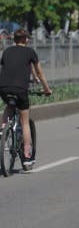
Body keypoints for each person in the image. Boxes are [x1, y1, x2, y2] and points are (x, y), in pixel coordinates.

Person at [0, 29, 52, 166]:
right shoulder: (30, 52)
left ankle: (2, 131)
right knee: (24, 122)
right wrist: (46, 89)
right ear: (25, 39)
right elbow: (39, 72)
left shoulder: (6, 51)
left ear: (14, 39)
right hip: (20, 90)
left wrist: (32, 76)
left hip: (4, 88)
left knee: (9, 106)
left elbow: (11, 67)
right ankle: (28, 156)